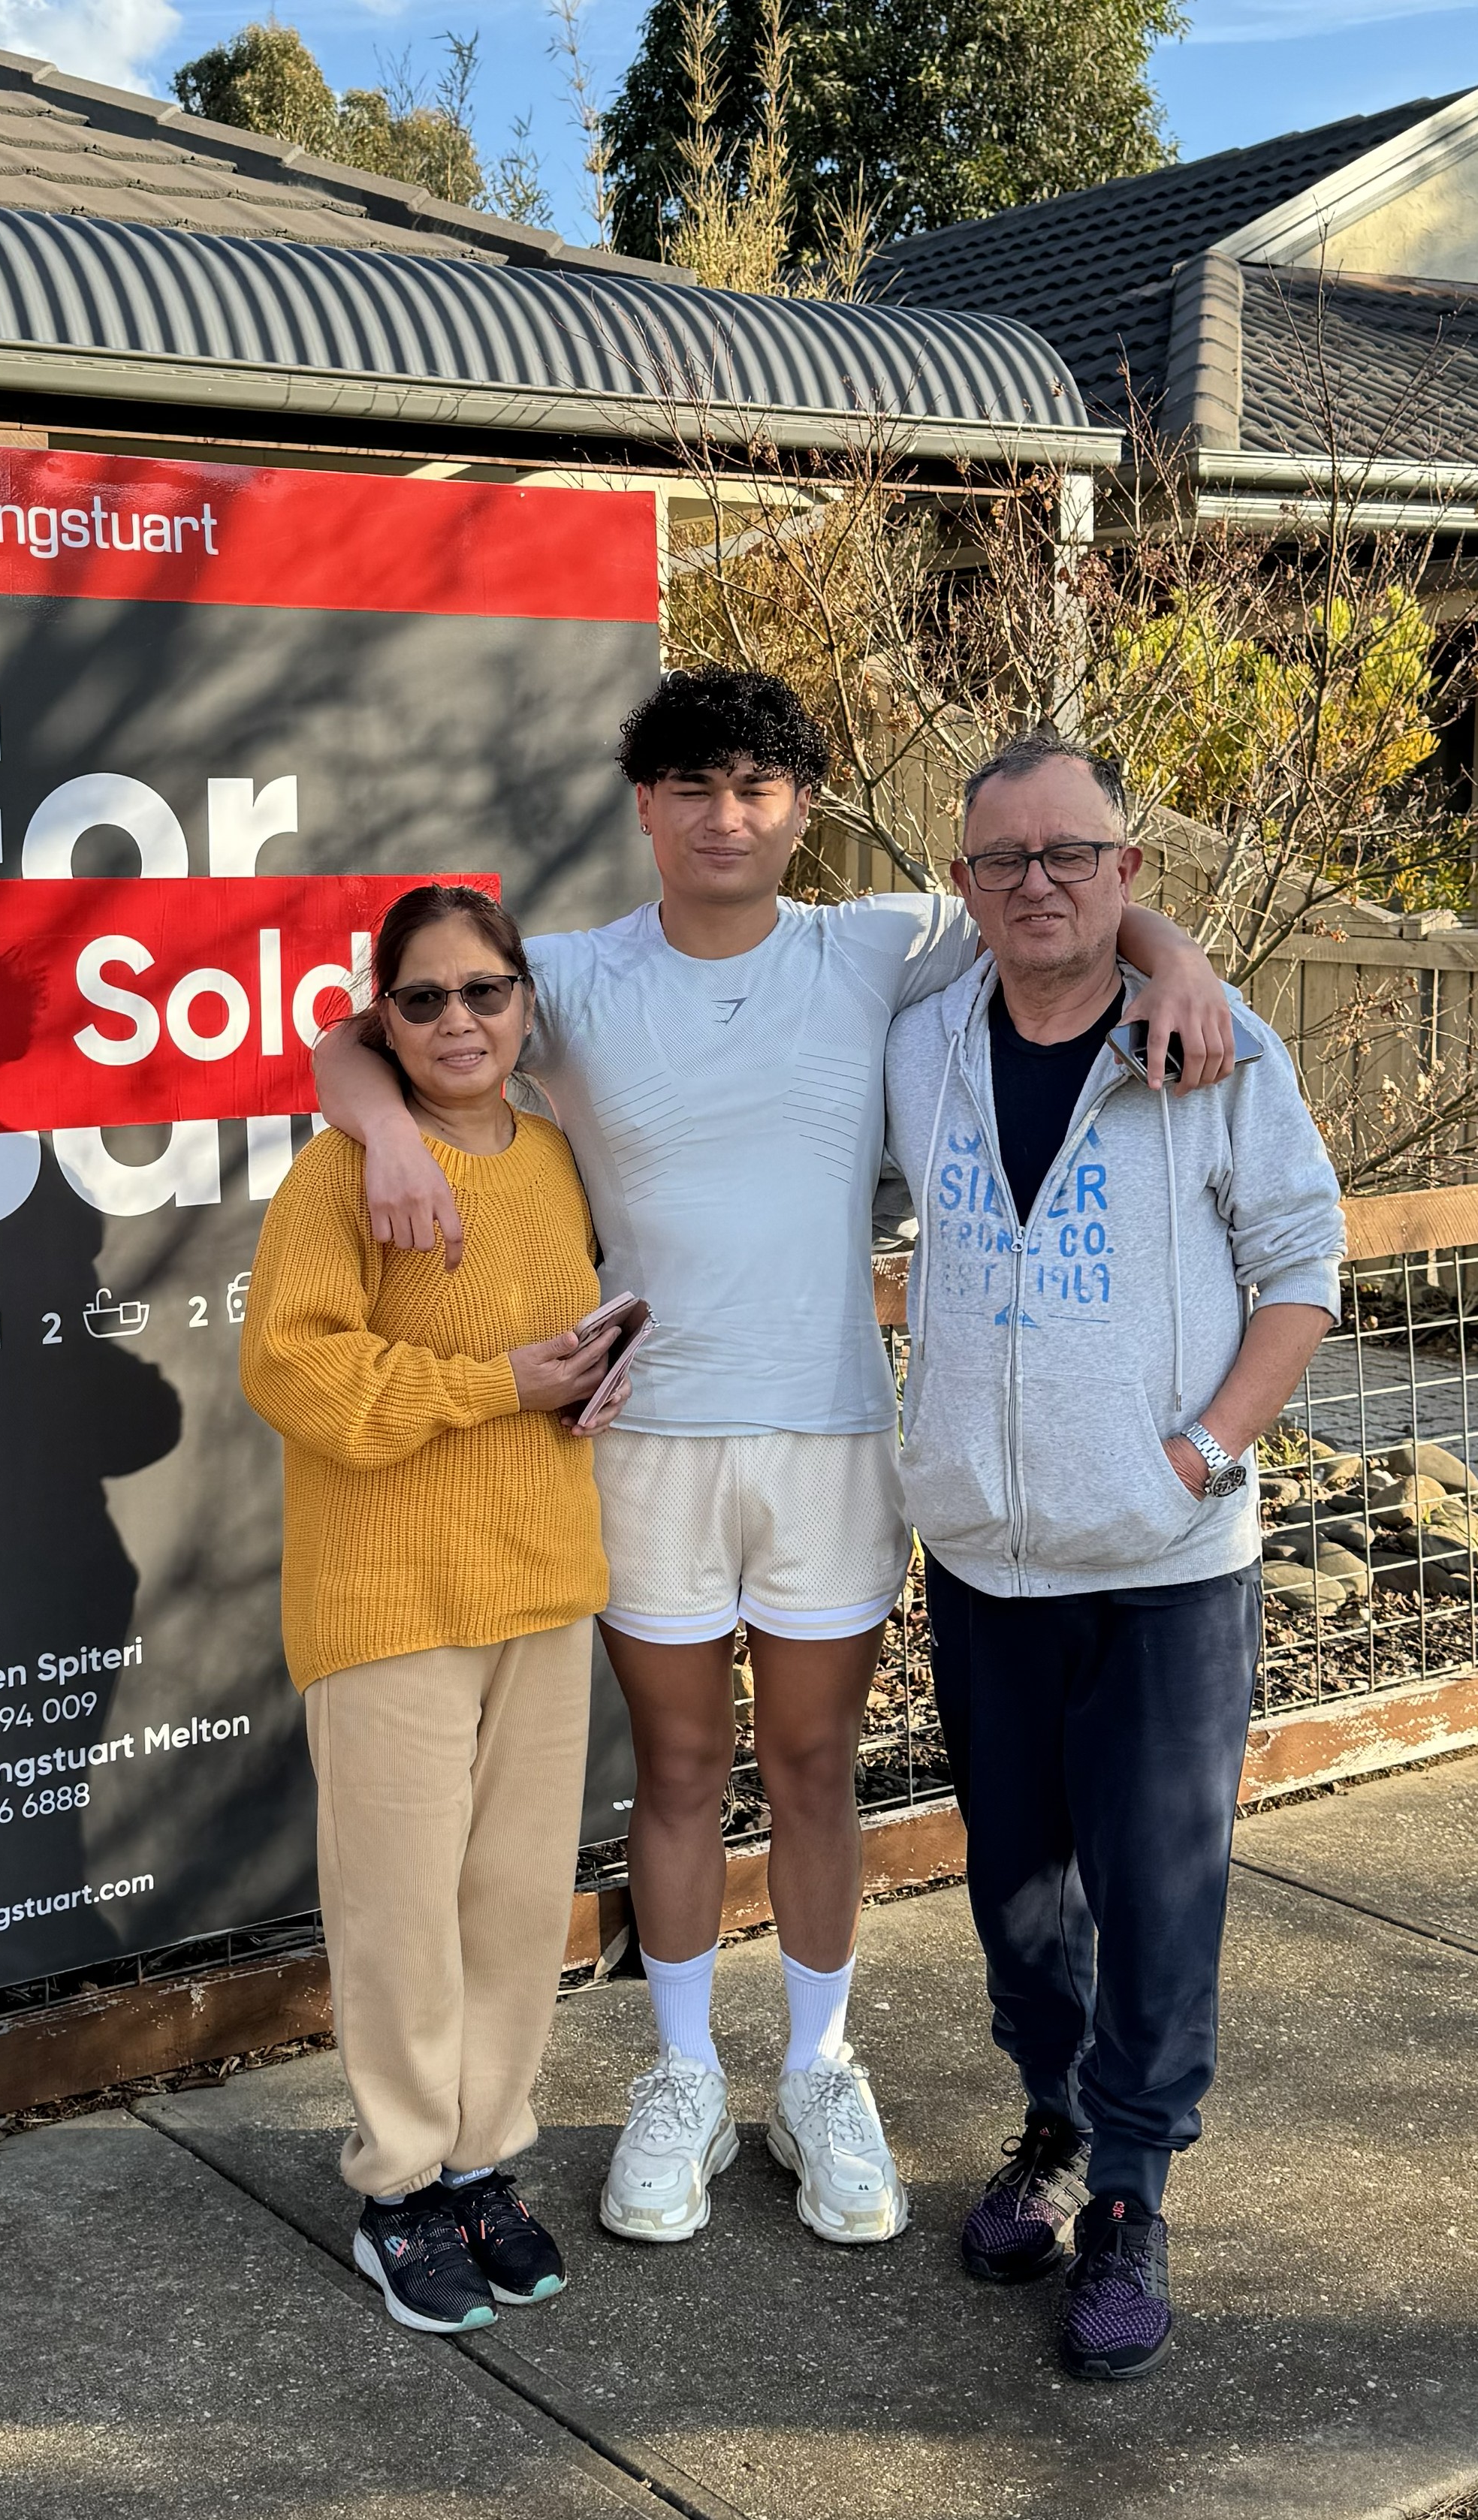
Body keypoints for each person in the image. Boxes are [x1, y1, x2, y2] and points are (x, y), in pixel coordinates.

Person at [315, 668, 1238, 2253]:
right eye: (693, 787)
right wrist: (385, 1131)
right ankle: (682, 2072)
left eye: (758, 787)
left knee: (813, 1774)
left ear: (802, 807)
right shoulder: (577, 980)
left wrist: (1182, 952)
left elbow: (1069, 907)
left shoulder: (873, 941)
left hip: (826, 1437)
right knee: (676, 1776)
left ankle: (818, 2066)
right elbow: (365, 1028)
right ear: (645, 808)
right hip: (643, 1445)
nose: (726, 815)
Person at [883, 731, 1343, 2380]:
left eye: (1072, 854)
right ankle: (1052, 2122)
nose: (1039, 885)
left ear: (1128, 870)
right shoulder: (920, 1040)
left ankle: (1136, 2196)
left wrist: (1203, 1446)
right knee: (1016, 1894)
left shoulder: (1214, 1051)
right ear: (963, 885)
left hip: (1163, 1565)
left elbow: (1303, 1268)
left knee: (1156, 1898)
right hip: (988, 1558)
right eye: (1002, 860)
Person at [240, 884, 626, 2335]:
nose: (458, 1021)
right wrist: (498, 1388)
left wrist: (591, 1379)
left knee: (519, 1902)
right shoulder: (338, 1179)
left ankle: (484, 2164)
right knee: (399, 1910)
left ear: (524, 1004)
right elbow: (296, 1373)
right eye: (424, 999)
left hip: (543, 1578)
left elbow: (570, 1332)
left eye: (485, 993)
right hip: (387, 1592)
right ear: (379, 1016)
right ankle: (399, 2188)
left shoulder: (557, 1158)